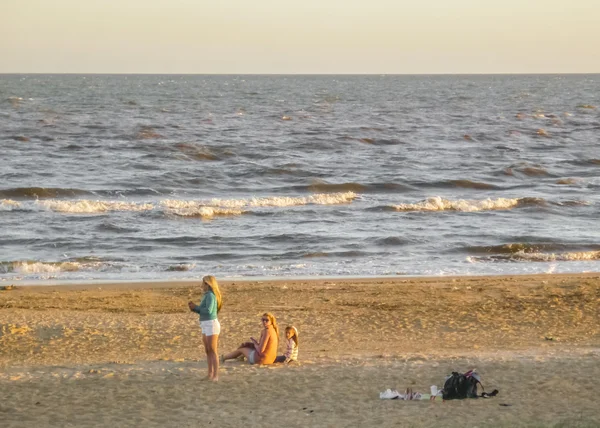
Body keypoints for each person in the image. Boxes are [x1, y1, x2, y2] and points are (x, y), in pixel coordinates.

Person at [188, 275, 223, 381]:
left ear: (208, 284)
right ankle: (210, 373)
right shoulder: (206, 295)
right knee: (207, 350)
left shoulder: (211, 296)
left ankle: (215, 375)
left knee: (213, 350)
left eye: (203, 283)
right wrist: (194, 308)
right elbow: (203, 310)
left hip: (211, 324)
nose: (201, 285)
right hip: (204, 323)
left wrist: (196, 308)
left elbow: (208, 310)